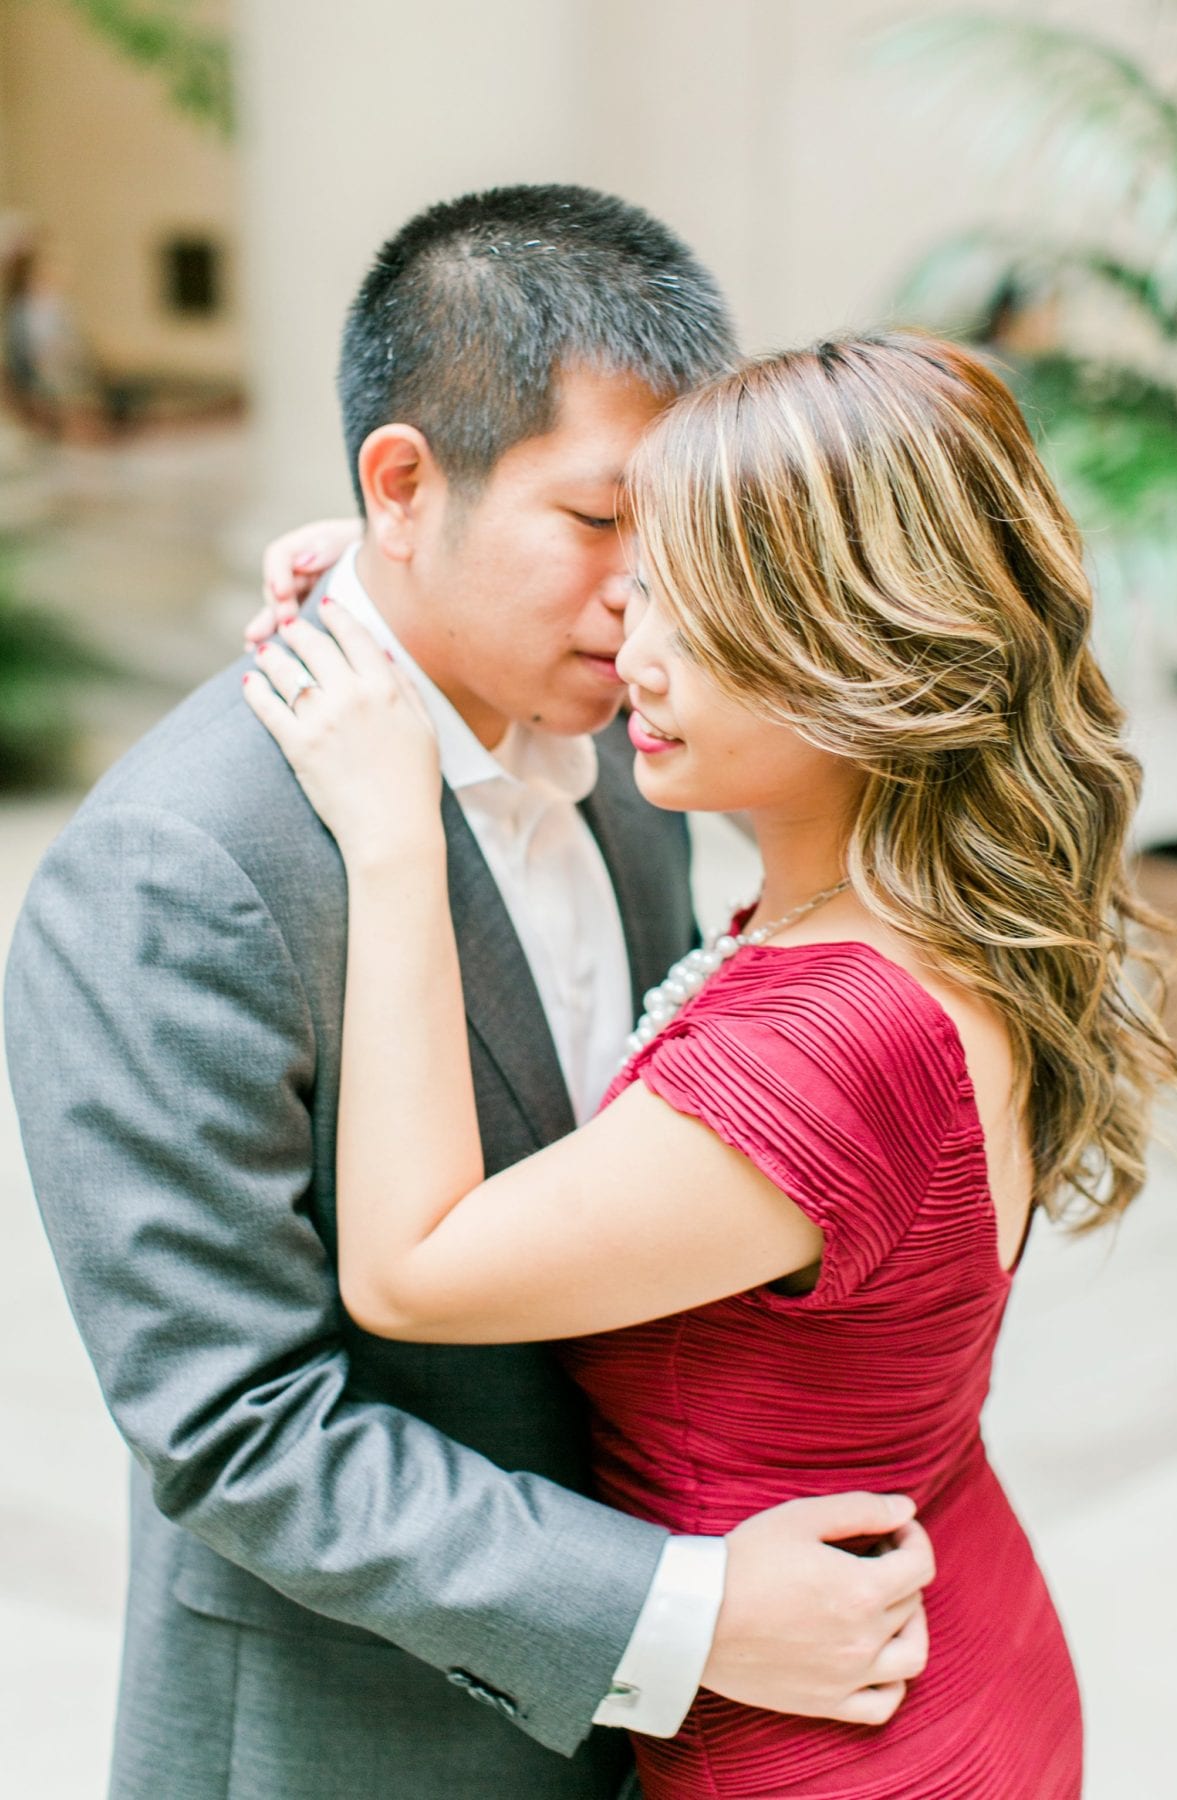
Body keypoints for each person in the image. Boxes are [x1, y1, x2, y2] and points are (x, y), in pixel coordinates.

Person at [4, 188, 933, 1800]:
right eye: (592, 522)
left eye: (674, 524)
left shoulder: (646, 752)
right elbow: (238, 1428)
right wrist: (690, 1613)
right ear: (399, 486)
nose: (646, 599)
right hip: (356, 1741)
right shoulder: (175, 865)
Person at [242, 330, 1177, 1799]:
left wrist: (391, 835)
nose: (634, 646)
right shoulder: (897, 901)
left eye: (695, 605)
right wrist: (416, 587)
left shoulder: (831, 1046)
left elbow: (410, 1268)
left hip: (830, 1745)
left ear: (857, 649)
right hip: (941, 1634)